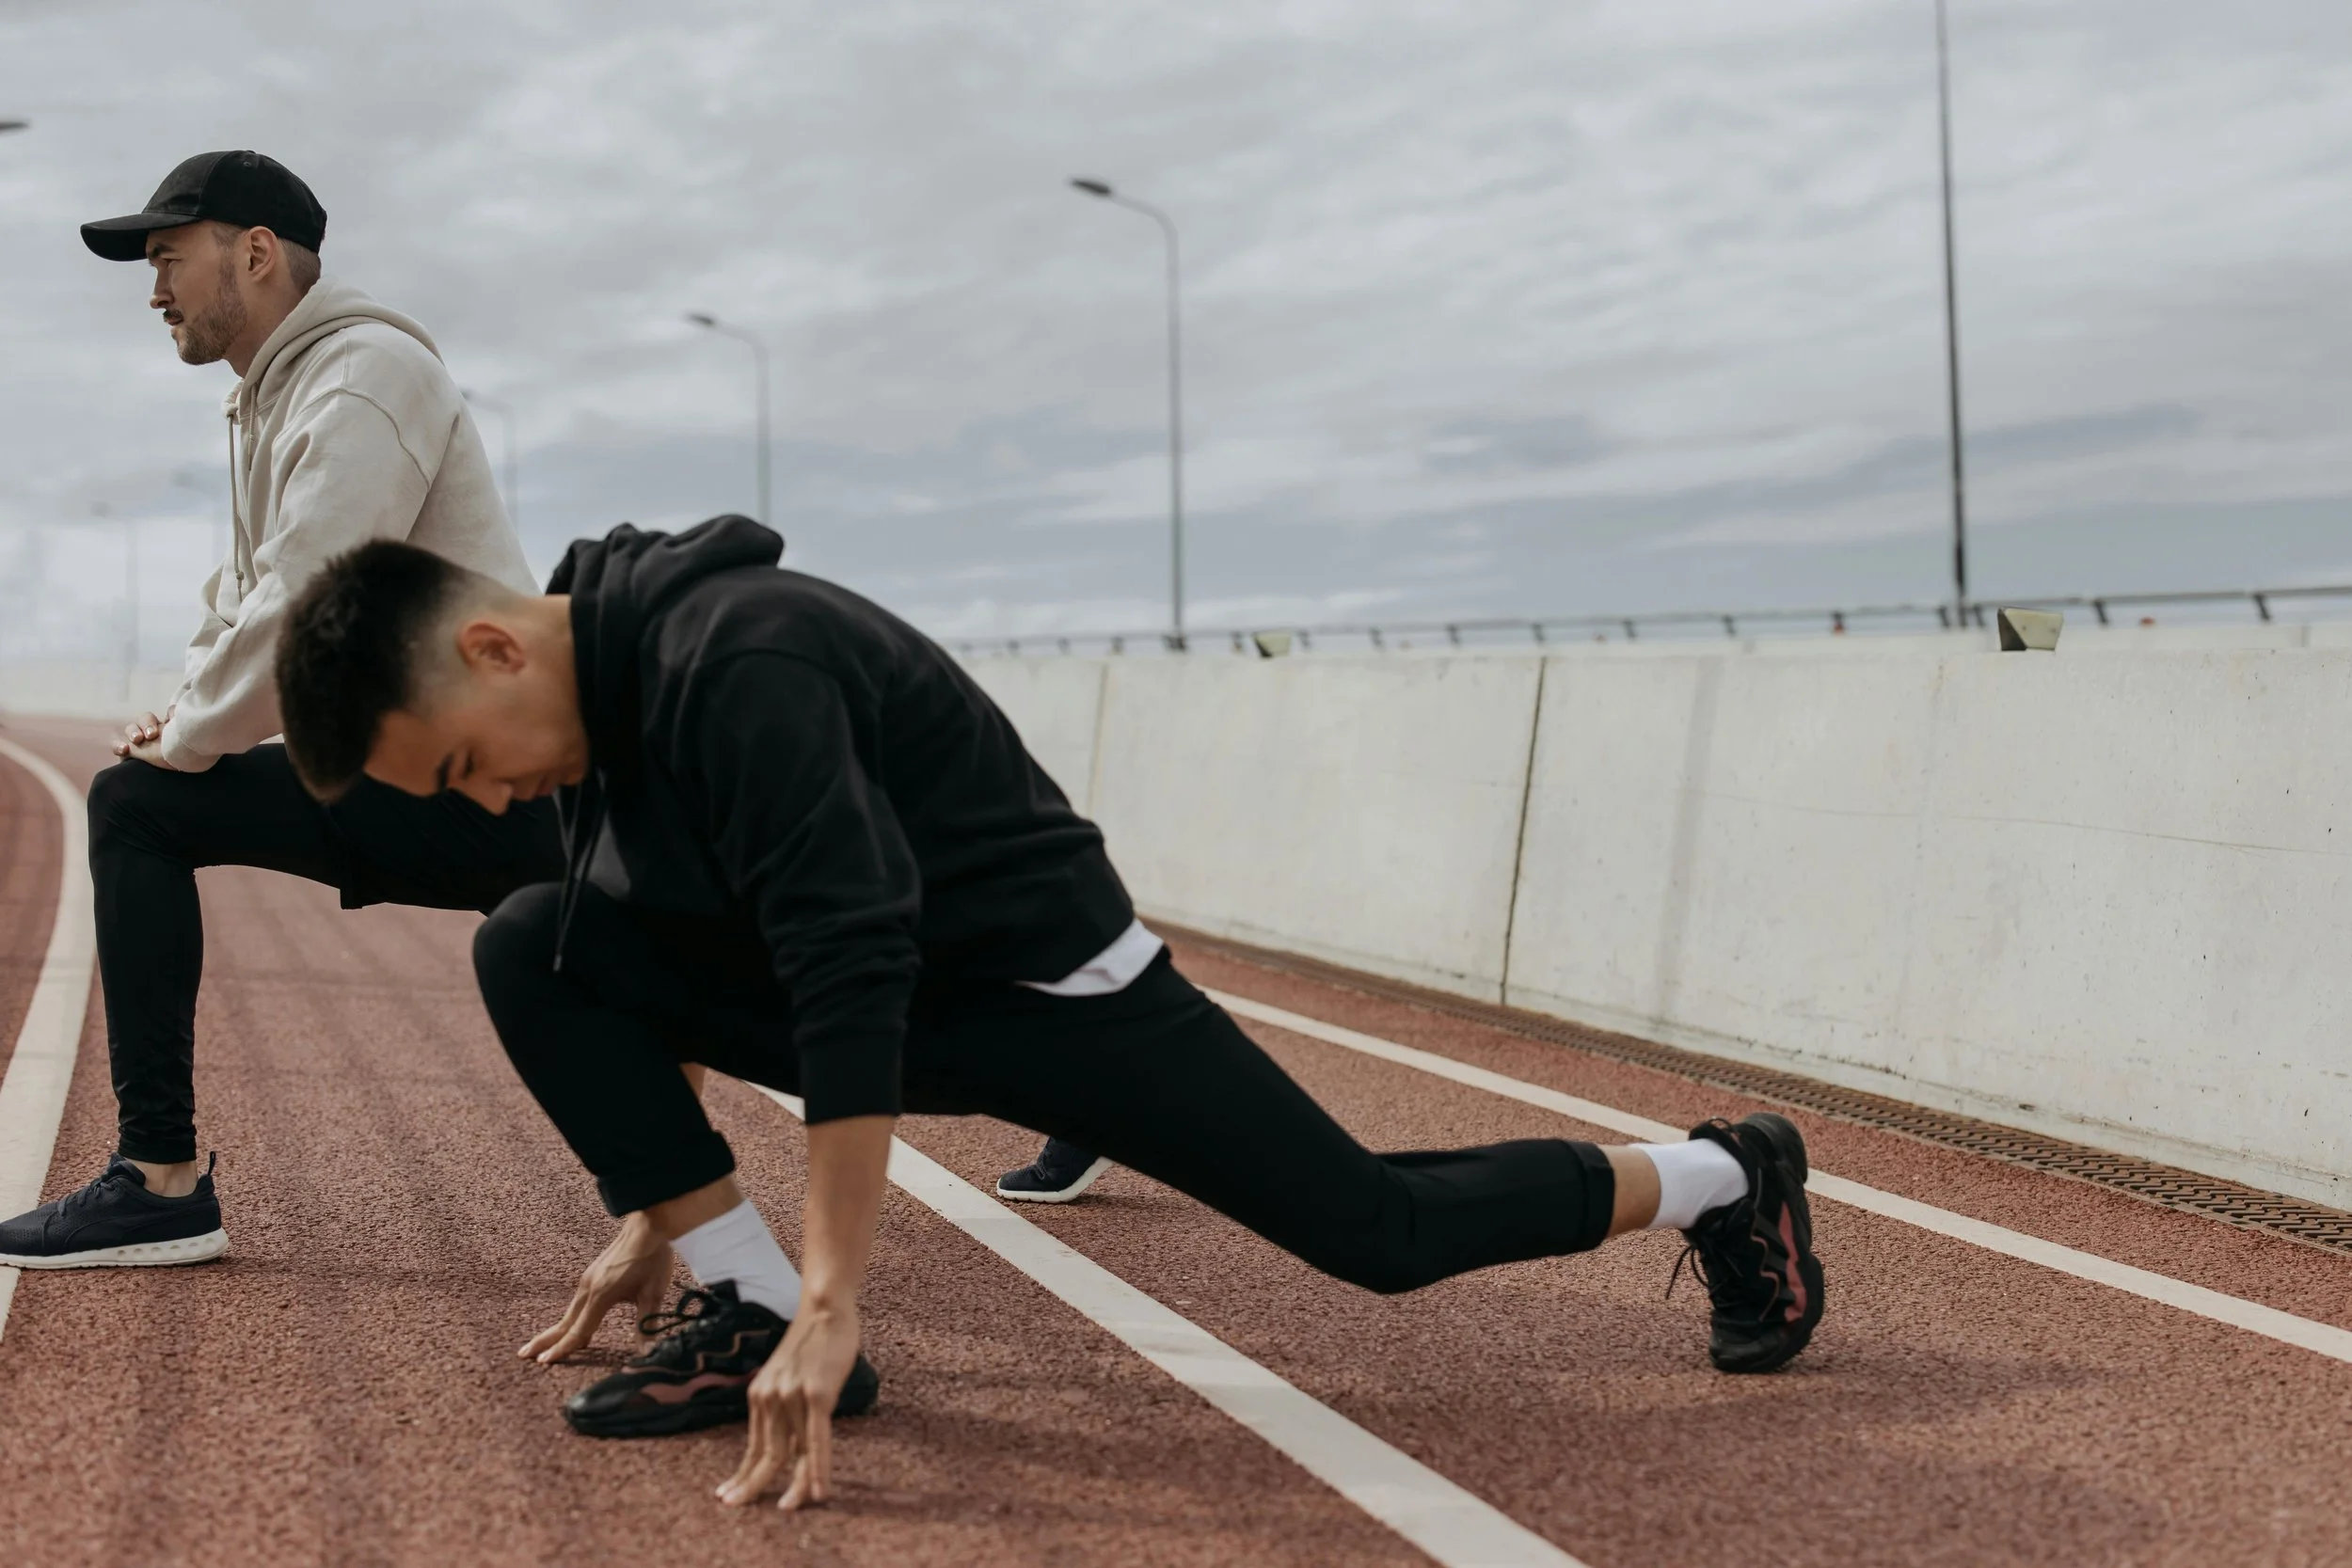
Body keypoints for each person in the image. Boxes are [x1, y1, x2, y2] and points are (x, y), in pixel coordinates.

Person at [269, 516, 1826, 1511]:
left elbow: (845, 968)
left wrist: (838, 1295)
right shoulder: (590, 697)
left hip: (1053, 1001)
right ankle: (734, 1307)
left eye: (467, 761)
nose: (492, 791)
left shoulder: (739, 658)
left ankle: (1727, 1171)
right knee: (535, 934)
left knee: (1374, 1236)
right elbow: (642, 922)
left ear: (488, 648)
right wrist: (661, 1210)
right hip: (903, 987)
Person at [0, 151, 564, 1273]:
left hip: (512, 777)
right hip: (418, 771)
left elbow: (309, 596)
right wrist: (181, 718)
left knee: (776, 955)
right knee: (142, 801)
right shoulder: (277, 393)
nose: (152, 289)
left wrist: (196, 738)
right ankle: (159, 1178)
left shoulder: (363, 379)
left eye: (167, 257)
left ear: (254, 252)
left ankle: (160, 1181)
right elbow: (247, 593)